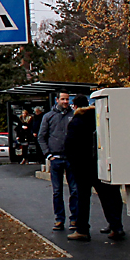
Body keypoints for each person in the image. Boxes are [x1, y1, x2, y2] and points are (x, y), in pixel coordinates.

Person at [37, 92, 78, 231]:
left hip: (71, 159)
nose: (65, 101)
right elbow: (41, 137)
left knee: (74, 190)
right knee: (57, 191)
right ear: (57, 100)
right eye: (63, 99)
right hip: (56, 158)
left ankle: (74, 219)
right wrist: (48, 155)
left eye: (67, 99)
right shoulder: (49, 116)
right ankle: (59, 219)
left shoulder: (73, 115)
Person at [64, 98, 96, 241]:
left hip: (81, 164)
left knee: (82, 197)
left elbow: (70, 144)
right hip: (98, 162)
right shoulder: (96, 118)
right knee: (108, 195)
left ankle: (82, 228)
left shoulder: (76, 122)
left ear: (75, 106)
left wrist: (71, 161)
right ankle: (116, 226)